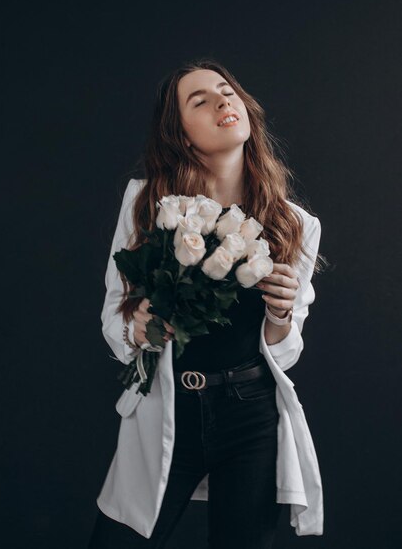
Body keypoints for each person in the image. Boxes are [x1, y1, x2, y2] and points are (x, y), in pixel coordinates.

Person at [87, 59, 324, 548]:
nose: (222, 102)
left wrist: (281, 315)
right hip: (169, 403)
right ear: (182, 135)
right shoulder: (146, 203)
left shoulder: (295, 224)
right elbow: (116, 314)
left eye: (227, 91)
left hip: (251, 414)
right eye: (200, 100)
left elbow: (283, 351)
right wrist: (139, 325)